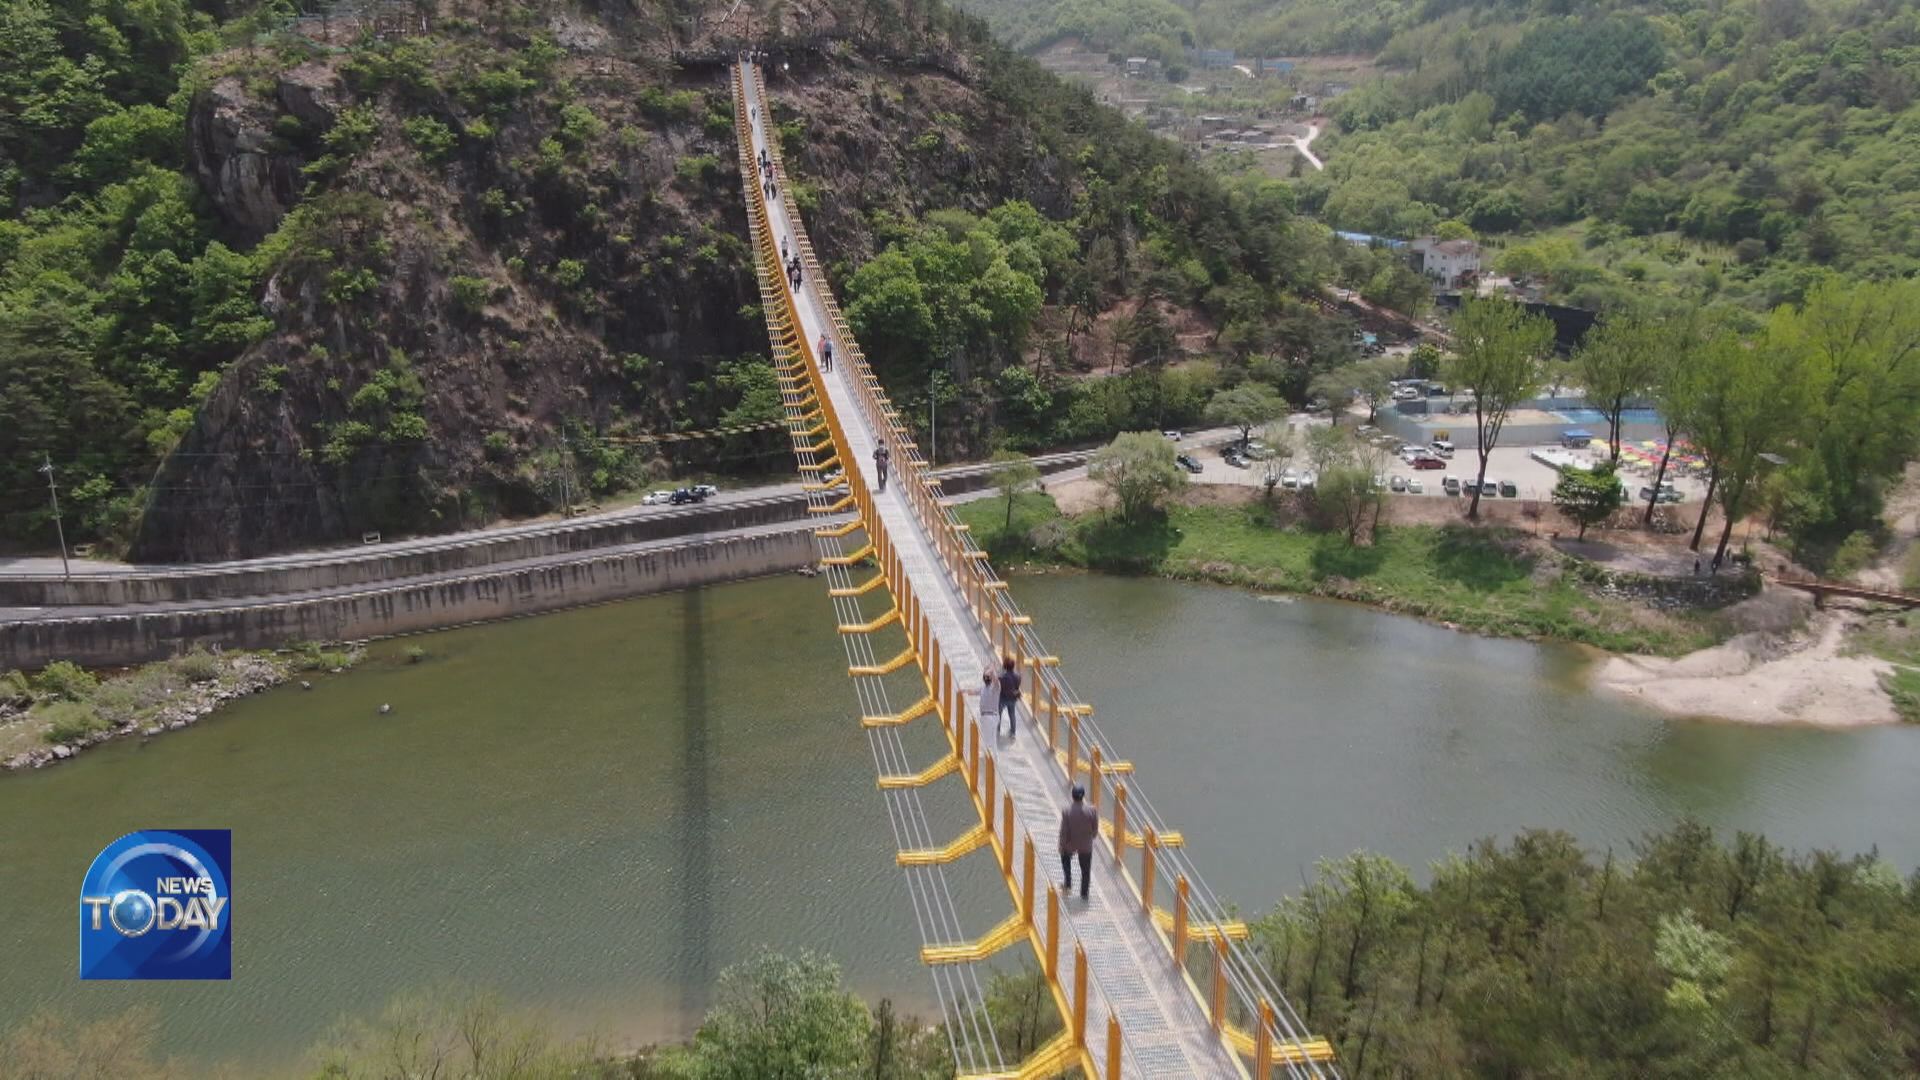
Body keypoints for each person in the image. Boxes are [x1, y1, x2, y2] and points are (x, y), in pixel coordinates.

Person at [1058, 785, 1097, 900]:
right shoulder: (1092, 811)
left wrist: (1061, 845)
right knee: (1086, 871)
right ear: (1083, 796)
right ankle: (1084, 894)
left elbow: (1064, 831)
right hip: (1086, 845)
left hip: (1071, 844)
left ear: (1072, 796)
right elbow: (1095, 830)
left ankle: (1068, 884)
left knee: (1065, 858)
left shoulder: (1067, 812)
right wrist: (1090, 838)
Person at [996, 656, 1021, 737]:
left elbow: (998, 685)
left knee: (999, 714)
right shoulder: (1018, 676)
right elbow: (1017, 686)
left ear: (1005, 666)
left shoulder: (1002, 677)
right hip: (1013, 699)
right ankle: (1013, 732)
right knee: (1012, 714)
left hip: (1003, 698)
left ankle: (997, 730)